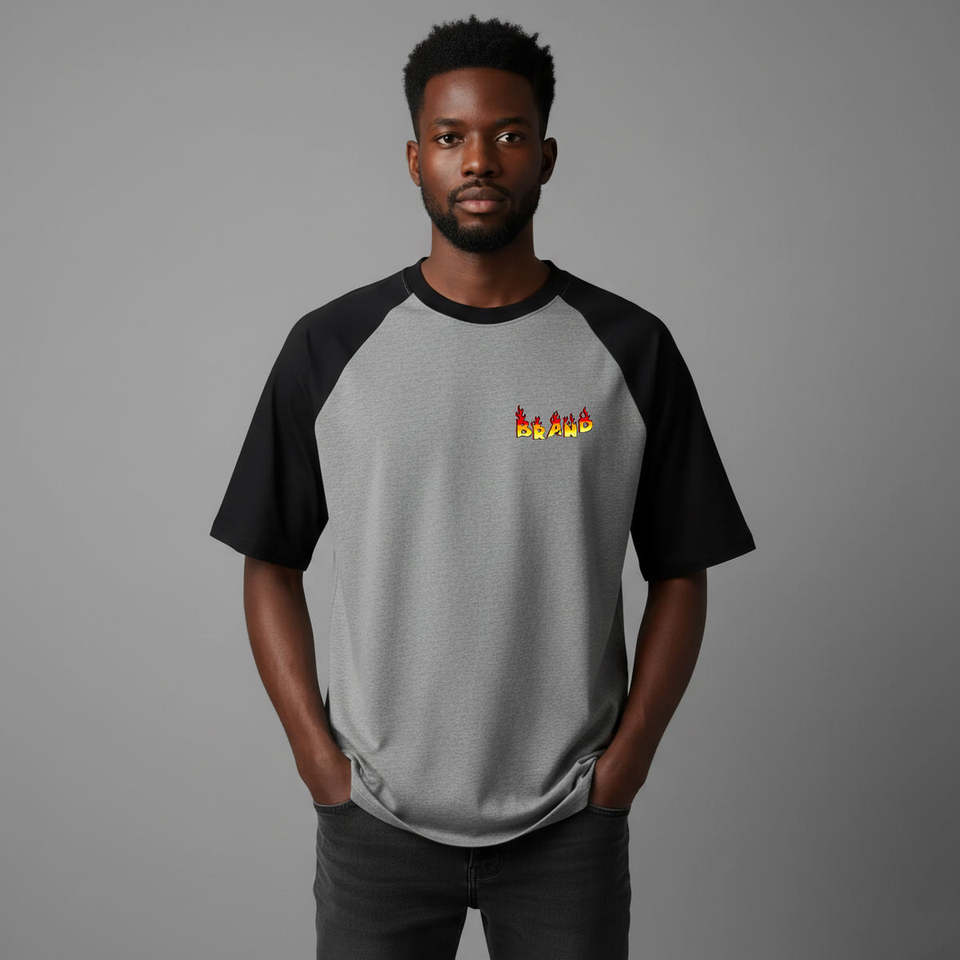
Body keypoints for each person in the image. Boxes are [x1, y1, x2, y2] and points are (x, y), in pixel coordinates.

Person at [209, 13, 756, 960]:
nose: (478, 160)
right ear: (413, 158)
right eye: (450, 136)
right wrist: (317, 760)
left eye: (507, 135)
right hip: (375, 822)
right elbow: (268, 559)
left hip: (568, 826)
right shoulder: (329, 346)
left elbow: (682, 568)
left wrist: (625, 766)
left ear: (546, 156)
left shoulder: (629, 349)